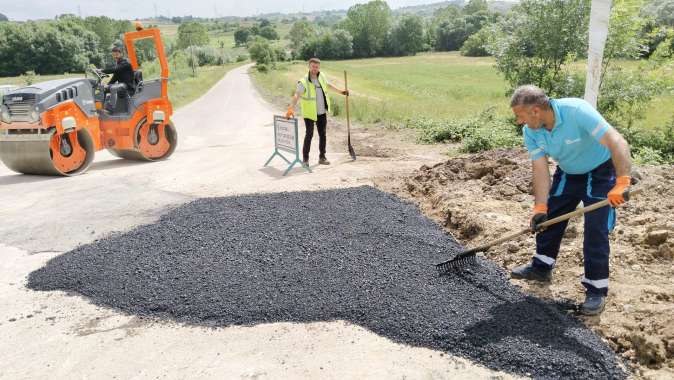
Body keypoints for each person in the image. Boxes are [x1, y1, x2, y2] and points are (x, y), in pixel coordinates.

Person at [509, 85, 632, 316]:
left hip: (600, 172)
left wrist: (622, 181)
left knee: (595, 229)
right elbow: (540, 169)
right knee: (550, 218)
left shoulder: (576, 110)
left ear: (535, 111)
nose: (518, 121)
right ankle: (541, 267)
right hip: (568, 172)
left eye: (520, 115)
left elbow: (618, 141)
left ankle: (596, 290)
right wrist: (540, 206)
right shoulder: (531, 131)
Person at [285, 58, 348, 166]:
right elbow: (297, 95)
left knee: (322, 135)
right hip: (309, 113)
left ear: (319, 67)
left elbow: (328, 85)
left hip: (321, 112)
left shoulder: (321, 76)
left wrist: (341, 91)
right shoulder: (303, 81)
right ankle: (305, 160)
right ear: (309, 67)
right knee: (309, 135)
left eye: (317, 67)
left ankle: (322, 157)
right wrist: (291, 108)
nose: (315, 69)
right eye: (313, 66)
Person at [101, 46, 134, 110]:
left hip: (127, 86)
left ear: (121, 54)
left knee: (113, 88)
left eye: (117, 54)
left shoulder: (125, 63)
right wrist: (108, 84)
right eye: (114, 55)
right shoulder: (119, 64)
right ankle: (102, 108)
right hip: (121, 85)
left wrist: (102, 70)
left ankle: (112, 107)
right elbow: (115, 77)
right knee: (103, 88)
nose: (115, 56)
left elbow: (115, 69)